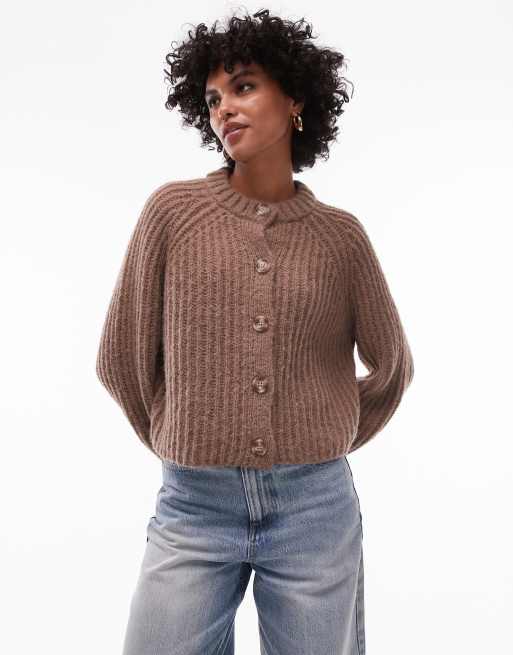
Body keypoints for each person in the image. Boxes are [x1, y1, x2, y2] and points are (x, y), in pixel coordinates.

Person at [95, 9, 414, 655]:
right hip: (193, 505)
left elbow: (391, 367)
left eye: (243, 87)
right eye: (213, 98)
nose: (224, 109)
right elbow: (119, 357)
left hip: (314, 508)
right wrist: (177, 434)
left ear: (295, 100)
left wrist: (326, 434)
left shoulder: (340, 237)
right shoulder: (173, 213)